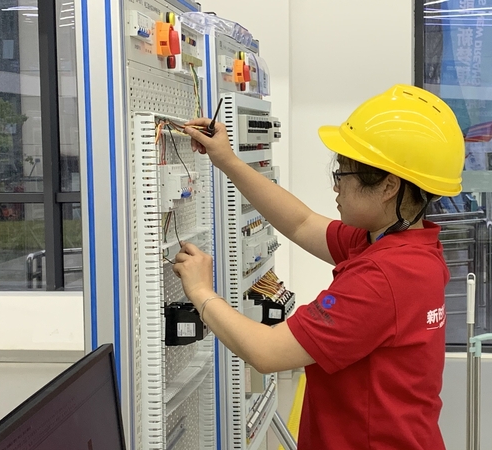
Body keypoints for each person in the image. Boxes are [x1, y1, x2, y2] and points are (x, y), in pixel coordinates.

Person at [173, 84, 464, 449]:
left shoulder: (383, 277)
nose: (336, 187)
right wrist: (228, 161)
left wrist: (201, 292)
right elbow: (302, 223)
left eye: (343, 174)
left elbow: (267, 351)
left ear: (389, 186)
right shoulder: (402, 247)